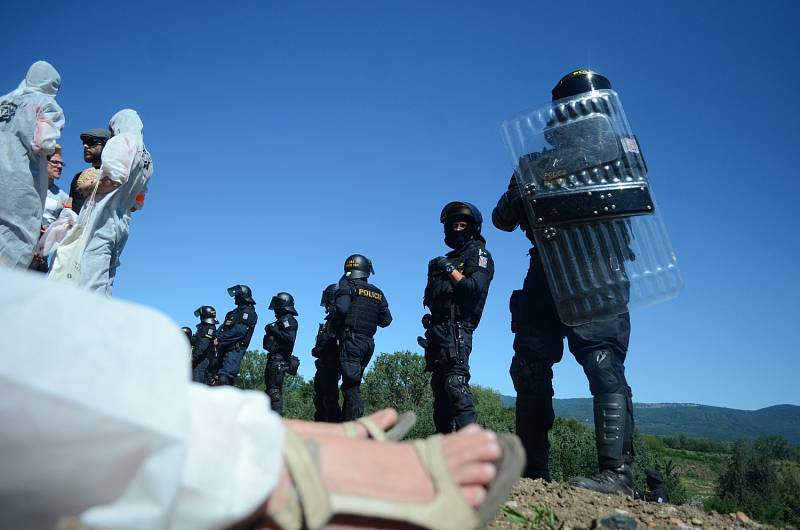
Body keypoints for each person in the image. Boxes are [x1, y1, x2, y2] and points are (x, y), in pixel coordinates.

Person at [0, 265, 526, 530]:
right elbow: (385, 319)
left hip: (345, 346)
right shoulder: (377, 294)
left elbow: (322, 321)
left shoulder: (335, 294)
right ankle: (225, 438)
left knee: (335, 390)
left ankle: (235, 463)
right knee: (351, 389)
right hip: (363, 348)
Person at [492, 69, 637, 494]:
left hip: (593, 270)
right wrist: (523, 190)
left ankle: (615, 473)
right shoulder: (537, 161)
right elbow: (503, 219)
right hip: (556, 272)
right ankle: (533, 470)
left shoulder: (619, 151)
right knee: (535, 366)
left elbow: (634, 197)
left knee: (601, 364)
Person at [49, 110, 153, 295]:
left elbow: (114, 180)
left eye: (92, 142)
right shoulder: (146, 158)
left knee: (89, 282)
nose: (86, 146)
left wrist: (90, 189)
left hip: (101, 221)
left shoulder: (123, 142)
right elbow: (138, 203)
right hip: (122, 224)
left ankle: (88, 320)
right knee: (106, 283)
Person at [418, 202, 494, 434]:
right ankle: (445, 450)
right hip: (437, 331)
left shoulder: (479, 255)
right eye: (453, 225)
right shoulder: (446, 259)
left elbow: (472, 288)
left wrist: (449, 267)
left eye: (462, 225)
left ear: (473, 228)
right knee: (440, 392)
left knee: (455, 385)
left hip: (458, 329)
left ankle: (471, 446)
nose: (457, 229)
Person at [0, 61, 64, 269]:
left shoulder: (3, 101)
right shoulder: (45, 104)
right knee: (14, 246)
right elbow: (44, 144)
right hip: (20, 186)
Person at [330, 254, 392, 421]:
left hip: (352, 341)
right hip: (368, 344)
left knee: (351, 387)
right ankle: (347, 423)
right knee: (351, 384)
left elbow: (342, 310)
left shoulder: (347, 285)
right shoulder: (377, 293)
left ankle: (355, 426)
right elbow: (386, 321)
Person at [29, 144, 69, 272]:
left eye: (62, 164)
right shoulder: (29, 187)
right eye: (55, 162)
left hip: (41, 255)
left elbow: (64, 229)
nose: (59, 166)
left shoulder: (64, 198)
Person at [211, 284, 258, 386]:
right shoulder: (232, 313)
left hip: (234, 352)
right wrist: (215, 338)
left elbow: (239, 331)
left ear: (242, 297)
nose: (235, 298)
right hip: (222, 349)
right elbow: (222, 328)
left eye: (236, 295)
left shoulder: (248, 313)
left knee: (224, 379)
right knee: (213, 379)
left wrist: (219, 340)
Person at [263, 292, 299, 416]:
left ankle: (276, 421)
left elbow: (290, 338)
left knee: (274, 392)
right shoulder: (281, 321)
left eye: (277, 306)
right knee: (269, 392)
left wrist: (273, 330)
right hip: (273, 360)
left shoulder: (288, 320)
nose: (274, 310)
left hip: (279, 361)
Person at [312, 283, 342, 422]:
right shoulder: (329, 321)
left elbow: (334, 343)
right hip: (323, 364)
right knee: (320, 399)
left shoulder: (340, 320)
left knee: (330, 400)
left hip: (331, 365)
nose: (326, 305)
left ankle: (333, 429)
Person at [69, 128, 110, 214]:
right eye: (84, 143)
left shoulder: (115, 176)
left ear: (107, 146)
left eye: (91, 142)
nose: (85, 146)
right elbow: (70, 209)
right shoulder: (78, 177)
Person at [191, 306, 218, 384]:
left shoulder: (209, 328)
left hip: (203, 360)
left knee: (197, 384)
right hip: (200, 359)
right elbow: (197, 341)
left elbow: (202, 346)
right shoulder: (204, 327)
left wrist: (193, 358)